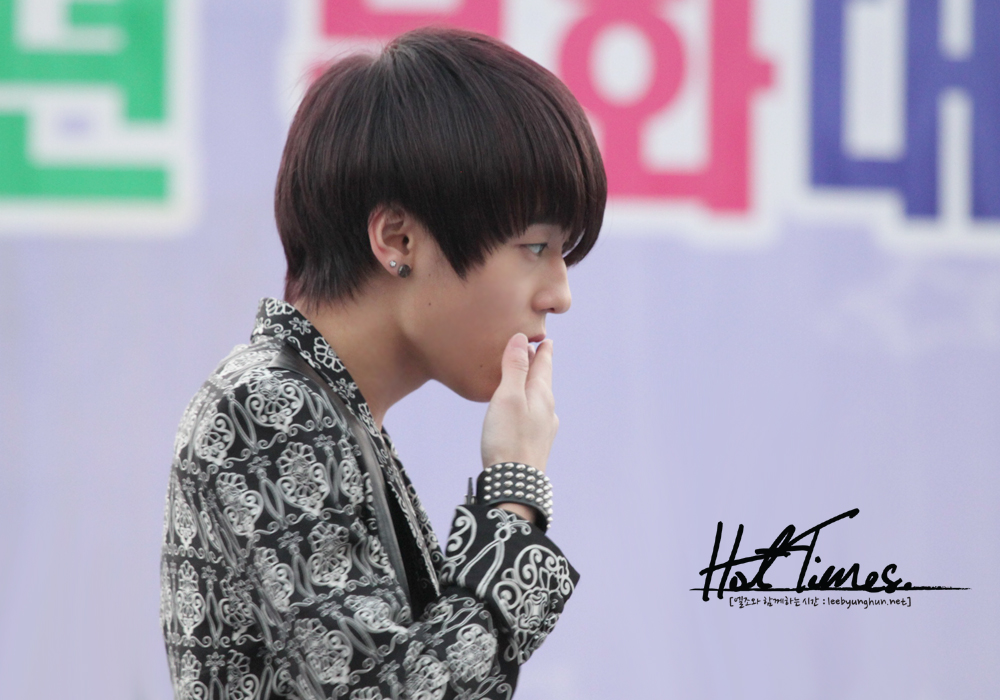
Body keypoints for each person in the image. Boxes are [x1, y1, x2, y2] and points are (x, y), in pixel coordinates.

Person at [160, 26, 606, 700]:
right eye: (536, 248)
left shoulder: (325, 405)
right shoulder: (271, 406)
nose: (559, 295)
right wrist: (513, 499)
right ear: (398, 239)